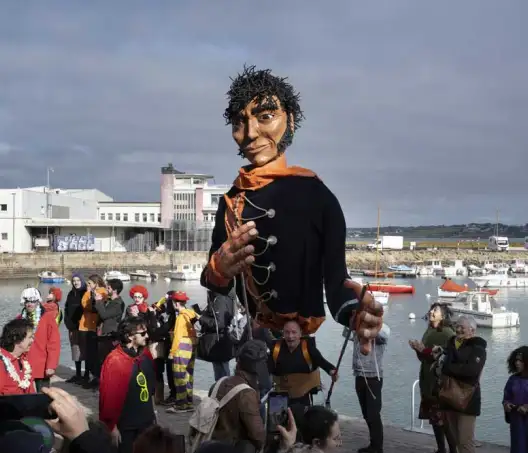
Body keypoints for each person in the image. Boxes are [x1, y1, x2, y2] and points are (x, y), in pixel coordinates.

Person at [200, 65, 383, 353]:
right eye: (239, 122)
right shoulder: (231, 202)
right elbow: (215, 284)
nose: (250, 133)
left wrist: (354, 314)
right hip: (253, 344)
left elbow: (336, 284)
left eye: (265, 117)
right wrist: (218, 269)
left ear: (291, 121)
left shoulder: (318, 197)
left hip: (301, 344)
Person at [99, 317, 156, 453]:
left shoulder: (146, 355)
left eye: (147, 332)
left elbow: (150, 388)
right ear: (129, 336)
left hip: (146, 421)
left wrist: (153, 412)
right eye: (142, 334)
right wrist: (111, 426)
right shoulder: (115, 360)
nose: (147, 336)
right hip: (126, 425)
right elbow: (108, 396)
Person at [201, 340, 268, 452]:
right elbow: (258, 435)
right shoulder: (246, 394)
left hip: (211, 444)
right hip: (231, 448)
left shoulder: (219, 383)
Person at [409, 303, 456, 453]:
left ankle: (453, 450)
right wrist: (418, 349)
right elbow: (424, 357)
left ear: (442, 315)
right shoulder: (429, 330)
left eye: (435, 310)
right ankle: (441, 448)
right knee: (434, 419)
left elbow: (448, 355)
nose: (431, 312)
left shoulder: (448, 333)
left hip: (440, 382)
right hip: (427, 379)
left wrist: (425, 350)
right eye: (431, 309)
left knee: (444, 419)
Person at [440, 315, 487, 453]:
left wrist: (448, 368)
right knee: (454, 439)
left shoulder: (478, 349)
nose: (458, 329)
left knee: (465, 441)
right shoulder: (450, 344)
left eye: (462, 327)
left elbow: (471, 371)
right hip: (449, 396)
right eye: (457, 326)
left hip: (468, 399)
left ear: (472, 331)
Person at [269, 320, 337, 408]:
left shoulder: (307, 347)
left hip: (304, 395)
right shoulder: (275, 349)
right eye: (287, 332)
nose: (290, 336)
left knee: (303, 419)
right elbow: (266, 369)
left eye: (294, 332)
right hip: (279, 394)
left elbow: (321, 361)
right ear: (283, 334)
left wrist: (332, 371)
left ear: (300, 333)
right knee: (276, 420)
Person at [352, 323, 390, 453]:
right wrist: (354, 323)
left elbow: (382, 338)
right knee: (366, 413)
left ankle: (377, 447)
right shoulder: (358, 326)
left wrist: (368, 328)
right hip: (359, 373)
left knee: (373, 414)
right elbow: (348, 335)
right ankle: (373, 443)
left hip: (374, 376)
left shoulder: (383, 328)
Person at [19, 287, 60, 392]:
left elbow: (54, 344)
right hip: (24, 366)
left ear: (38, 302)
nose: (29, 304)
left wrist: (51, 366)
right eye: (27, 301)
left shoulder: (48, 318)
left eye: (32, 301)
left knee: (43, 398)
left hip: (42, 366)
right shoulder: (19, 319)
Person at [167, 291, 199, 413]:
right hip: (192, 345)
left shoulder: (181, 317)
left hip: (182, 346)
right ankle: (189, 402)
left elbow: (177, 336)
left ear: (175, 303)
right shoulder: (192, 314)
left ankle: (180, 404)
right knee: (189, 375)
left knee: (179, 375)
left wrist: (172, 351)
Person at [196, 290, 238, 380]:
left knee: (221, 371)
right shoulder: (225, 298)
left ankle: (223, 390)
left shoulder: (219, 299)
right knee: (221, 368)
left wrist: (201, 318)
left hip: (219, 340)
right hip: (222, 339)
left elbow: (219, 323)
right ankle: (222, 389)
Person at [80, 274, 107, 389]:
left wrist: (88, 293)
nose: (88, 286)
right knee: (90, 354)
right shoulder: (93, 292)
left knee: (93, 354)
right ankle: (92, 376)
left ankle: (95, 377)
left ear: (95, 283)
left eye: (90, 283)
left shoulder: (100, 292)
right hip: (89, 325)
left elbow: (88, 306)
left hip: (93, 326)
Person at [0, 318, 35, 395]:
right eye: (30, 337)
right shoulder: (1, 363)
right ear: (16, 339)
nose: (32, 340)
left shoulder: (24, 360)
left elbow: (31, 392)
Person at [503, 345, 528, 453]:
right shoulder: (513, 379)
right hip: (517, 421)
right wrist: (506, 404)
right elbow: (506, 397)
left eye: (521, 361)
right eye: (516, 360)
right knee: (518, 447)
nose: (517, 363)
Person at [95, 278, 126, 366]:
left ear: (115, 290)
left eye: (108, 288)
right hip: (102, 334)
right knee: (100, 359)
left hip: (110, 335)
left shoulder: (118, 303)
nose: (106, 290)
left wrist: (98, 301)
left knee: (107, 360)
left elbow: (104, 315)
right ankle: (98, 377)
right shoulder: (108, 301)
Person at [64, 273, 88, 384]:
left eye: (78, 280)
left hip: (85, 327)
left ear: (82, 281)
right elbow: (66, 308)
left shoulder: (86, 293)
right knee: (75, 350)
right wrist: (67, 322)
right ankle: (78, 374)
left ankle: (87, 375)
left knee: (86, 351)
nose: (76, 282)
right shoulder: (70, 293)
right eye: (74, 280)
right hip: (72, 327)